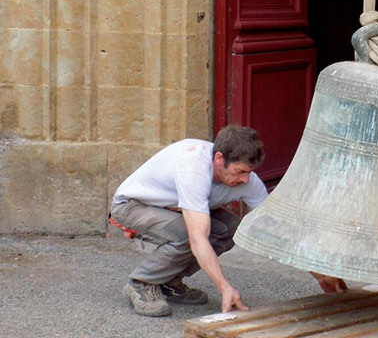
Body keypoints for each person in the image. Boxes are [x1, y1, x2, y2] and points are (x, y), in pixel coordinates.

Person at [110, 125, 347, 317]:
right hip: (134, 206)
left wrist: (320, 274)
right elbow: (197, 238)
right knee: (186, 235)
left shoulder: (248, 181)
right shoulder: (193, 169)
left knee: (232, 229)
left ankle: (169, 282)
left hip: (174, 208)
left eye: (249, 172)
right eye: (239, 172)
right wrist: (225, 287)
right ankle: (141, 283)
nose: (245, 179)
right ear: (219, 159)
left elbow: (274, 229)